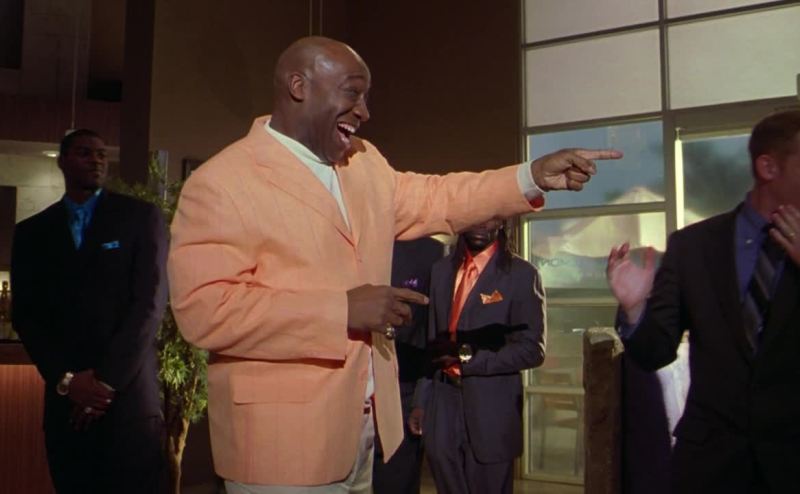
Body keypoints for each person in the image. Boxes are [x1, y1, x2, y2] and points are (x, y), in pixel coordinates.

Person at [167, 35, 620, 493]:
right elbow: (205, 310)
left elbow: (439, 197)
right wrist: (342, 310)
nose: (364, 112)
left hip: (365, 439)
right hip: (279, 448)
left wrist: (530, 176)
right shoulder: (222, 183)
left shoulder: (364, 163)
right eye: (352, 93)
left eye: (366, 97)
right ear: (299, 86)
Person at [606, 109, 800, 493]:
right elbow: (655, 353)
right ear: (768, 167)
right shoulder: (693, 246)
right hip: (710, 466)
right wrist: (636, 308)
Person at [11, 129, 168, 493]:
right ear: (62, 161)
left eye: (101, 154)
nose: (96, 161)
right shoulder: (33, 232)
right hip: (67, 408)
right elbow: (27, 316)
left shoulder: (140, 218)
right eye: (85, 153)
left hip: (129, 404)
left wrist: (105, 384)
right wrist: (68, 380)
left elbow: (149, 304)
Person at [408, 220, 545, 494]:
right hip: (442, 404)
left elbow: (533, 350)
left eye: (490, 216)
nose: (482, 223)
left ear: (502, 221)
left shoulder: (522, 274)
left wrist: (468, 358)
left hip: (491, 408)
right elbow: (432, 342)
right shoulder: (441, 271)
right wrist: (421, 402)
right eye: (476, 215)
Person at [372, 237, 445, 494]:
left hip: (403, 391)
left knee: (397, 481)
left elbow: (434, 332)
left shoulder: (432, 253)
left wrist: (422, 398)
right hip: (341, 391)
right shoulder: (340, 239)